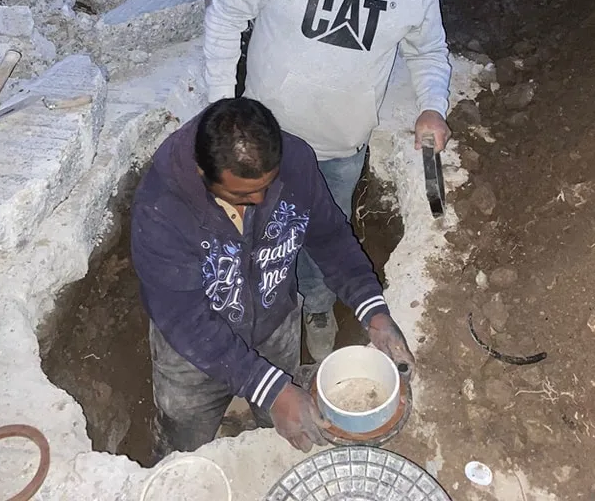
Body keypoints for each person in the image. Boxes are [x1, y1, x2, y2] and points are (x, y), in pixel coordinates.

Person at [204, 0, 451, 360]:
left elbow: (428, 51)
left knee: (324, 242)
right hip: (266, 150)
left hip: (341, 148)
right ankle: (264, 332)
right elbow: (225, 17)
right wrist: (220, 113)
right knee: (258, 246)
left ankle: (317, 308)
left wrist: (432, 107)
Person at [132, 97, 414, 456]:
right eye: (242, 194)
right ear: (204, 174)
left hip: (274, 324)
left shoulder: (295, 161)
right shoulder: (161, 208)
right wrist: (270, 387)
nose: (261, 199)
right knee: (184, 443)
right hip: (193, 352)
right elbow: (184, 319)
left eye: (267, 185)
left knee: (283, 426)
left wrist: (372, 310)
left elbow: (330, 237)